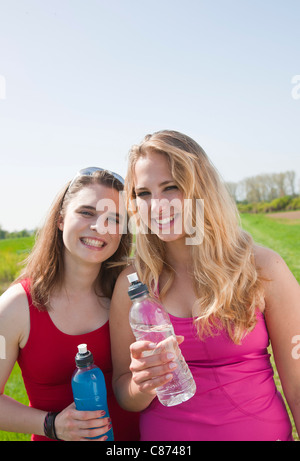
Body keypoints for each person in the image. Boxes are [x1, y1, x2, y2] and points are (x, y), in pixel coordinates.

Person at [109, 130, 300, 441]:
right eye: (143, 194)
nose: (156, 206)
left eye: (170, 187)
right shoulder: (132, 285)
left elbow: (298, 387)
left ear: (201, 190)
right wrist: (142, 385)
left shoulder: (262, 268)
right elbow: (124, 391)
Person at [0, 167, 139, 441]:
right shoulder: (15, 307)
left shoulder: (130, 292)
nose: (100, 227)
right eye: (87, 212)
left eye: (114, 219)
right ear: (61, 219)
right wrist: (52, 425)